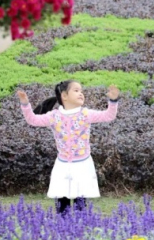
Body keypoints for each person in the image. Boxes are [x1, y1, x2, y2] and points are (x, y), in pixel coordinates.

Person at [17, 80, 119, 215]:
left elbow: (109, 116)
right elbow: (33, 120)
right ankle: (63, 230)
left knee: (80, 203)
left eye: (81, 91)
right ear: (64, 96)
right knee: (62, 202)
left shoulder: (86, 114)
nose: (81, 93)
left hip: (82, 165)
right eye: (76, 90)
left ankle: (79, 230)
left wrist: (113, 101)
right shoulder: (54, 116)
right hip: (63, 165)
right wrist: (25, 104)